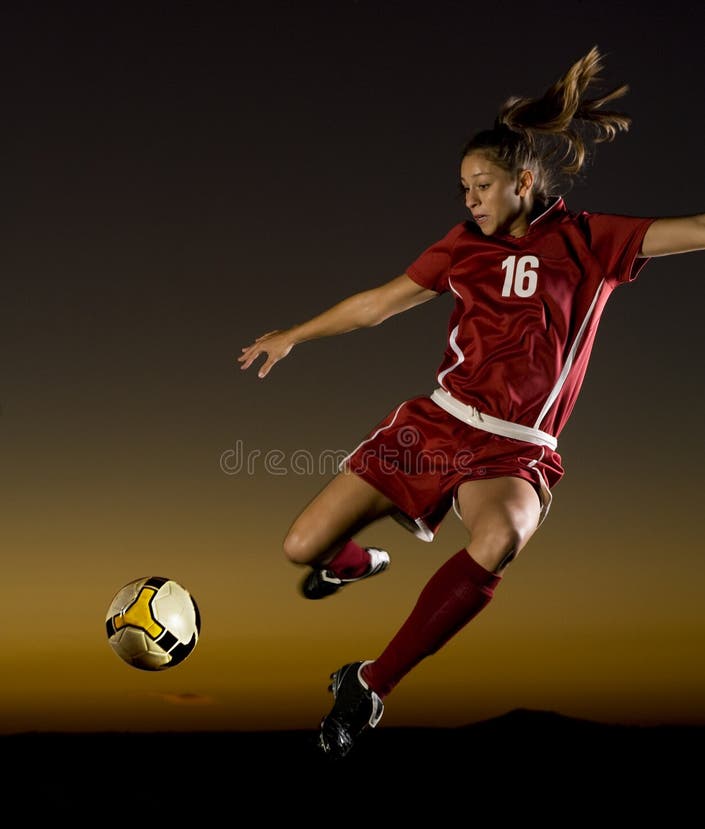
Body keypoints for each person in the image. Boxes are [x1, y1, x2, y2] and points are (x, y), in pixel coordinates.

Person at [238, 46, 705, 760]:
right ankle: (356, 564)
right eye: (463, 189)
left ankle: (369, 684)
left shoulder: (591, 241)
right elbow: (377, 304)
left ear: (523, 181)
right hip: (436, 426)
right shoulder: (462, 246)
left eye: (481, 186)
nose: (470, 201)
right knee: (300, 546)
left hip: (515, 448)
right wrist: (293, 335)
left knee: (499, 538)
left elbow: (696, 230)